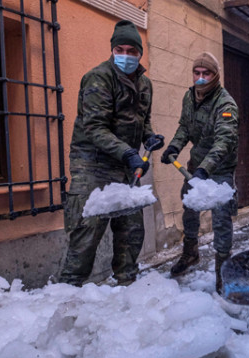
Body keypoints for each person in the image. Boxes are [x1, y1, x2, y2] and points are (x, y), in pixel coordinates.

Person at [57, 20, 164, 287]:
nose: (126, 55)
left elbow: (142, 121)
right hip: (92, 166)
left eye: (132, 50)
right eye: (120, 49)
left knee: (131, 231)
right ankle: (68, 294)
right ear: (112, 50)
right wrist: (128, 152)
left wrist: (149, 138)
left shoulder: (145, 85)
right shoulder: (99, 77)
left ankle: (127, 286)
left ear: (140, 53)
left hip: (125, 167)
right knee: (87, 235)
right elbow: (94, 127)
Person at [162, 52, 239, 293]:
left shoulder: (225, 104)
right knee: (190, 208)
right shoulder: (189, 96)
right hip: (196, 167)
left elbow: (224, 140)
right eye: (197, 73)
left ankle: (223, 270)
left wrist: (206, 169)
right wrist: (175, 145)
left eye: (206, 74)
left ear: (216, 76)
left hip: (219, 169)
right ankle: (190, 253)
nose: (201, 78)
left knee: (221, 218)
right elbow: (184, 127)